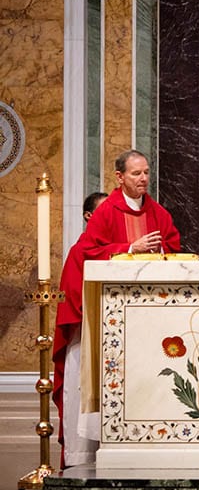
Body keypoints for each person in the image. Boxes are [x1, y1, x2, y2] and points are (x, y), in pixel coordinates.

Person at [52, 192, 107, 467]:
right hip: (85, 338)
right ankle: (79, 459)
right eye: (104, 213)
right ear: (89, 216)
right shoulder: (80, 251)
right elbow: (75, 301)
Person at [83, 150, 182, 259]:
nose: (144, 179)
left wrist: (160, 249)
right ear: (120, 177)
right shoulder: (104, 212)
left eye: (146, 172)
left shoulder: (159, 213)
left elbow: (174, 248)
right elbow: (91, 251)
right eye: (137, 173)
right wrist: (131, 249)